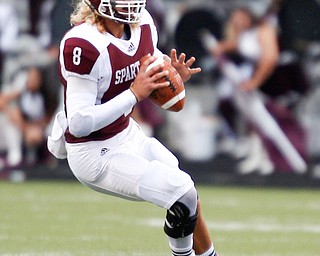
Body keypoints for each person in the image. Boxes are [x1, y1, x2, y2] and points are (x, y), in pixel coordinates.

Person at [48, 1, 218, 256]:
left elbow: (147, 61)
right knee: (180, 192)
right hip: (93, 152)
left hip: (127, 132)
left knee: (188, 194)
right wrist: (133, 94)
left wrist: (170, 72)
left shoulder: (143, 25)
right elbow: (80, 123)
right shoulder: (83, 43)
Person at [209, 7, 307, 175]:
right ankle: (258, 156)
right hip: (261, 78)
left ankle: (277, 157)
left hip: (279, 79)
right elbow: (236, 45)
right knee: (253, 119)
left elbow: (269, 59)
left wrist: (255, 82)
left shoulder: (265, 30)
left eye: (241, 17)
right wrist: (220, 48)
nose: (238, 21)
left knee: (272, 120)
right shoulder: (245, 34)